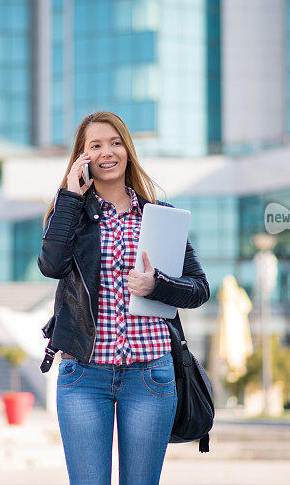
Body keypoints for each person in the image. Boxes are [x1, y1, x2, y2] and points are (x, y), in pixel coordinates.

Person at [38, 111, 210, 484]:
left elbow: (199, 289)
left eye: (115, 143)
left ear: (128, 151)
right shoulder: (69, 215)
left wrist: (157, 285)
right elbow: (51, 265)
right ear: (82, 158)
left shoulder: (159, 215)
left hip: (150, 377)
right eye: (95, 146)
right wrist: (69, 194)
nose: (107, 152)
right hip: (83, 375)